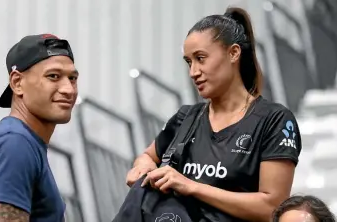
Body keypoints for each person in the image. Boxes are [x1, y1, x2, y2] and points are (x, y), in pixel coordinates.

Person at [126, 7, 302, 222]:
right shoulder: (186, 117)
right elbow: (146, 156)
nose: (193, 72)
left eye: (201, 58)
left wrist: (190, 186)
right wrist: (144, 167)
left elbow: (272, 207)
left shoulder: (274, 120)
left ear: (233, 53)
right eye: (189, 62)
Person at [0, 34, 78, 221]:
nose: (68, 89)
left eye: (72, 78)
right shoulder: (14, 144)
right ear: (17, 83)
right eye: (53, 76)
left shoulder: (25, 142)